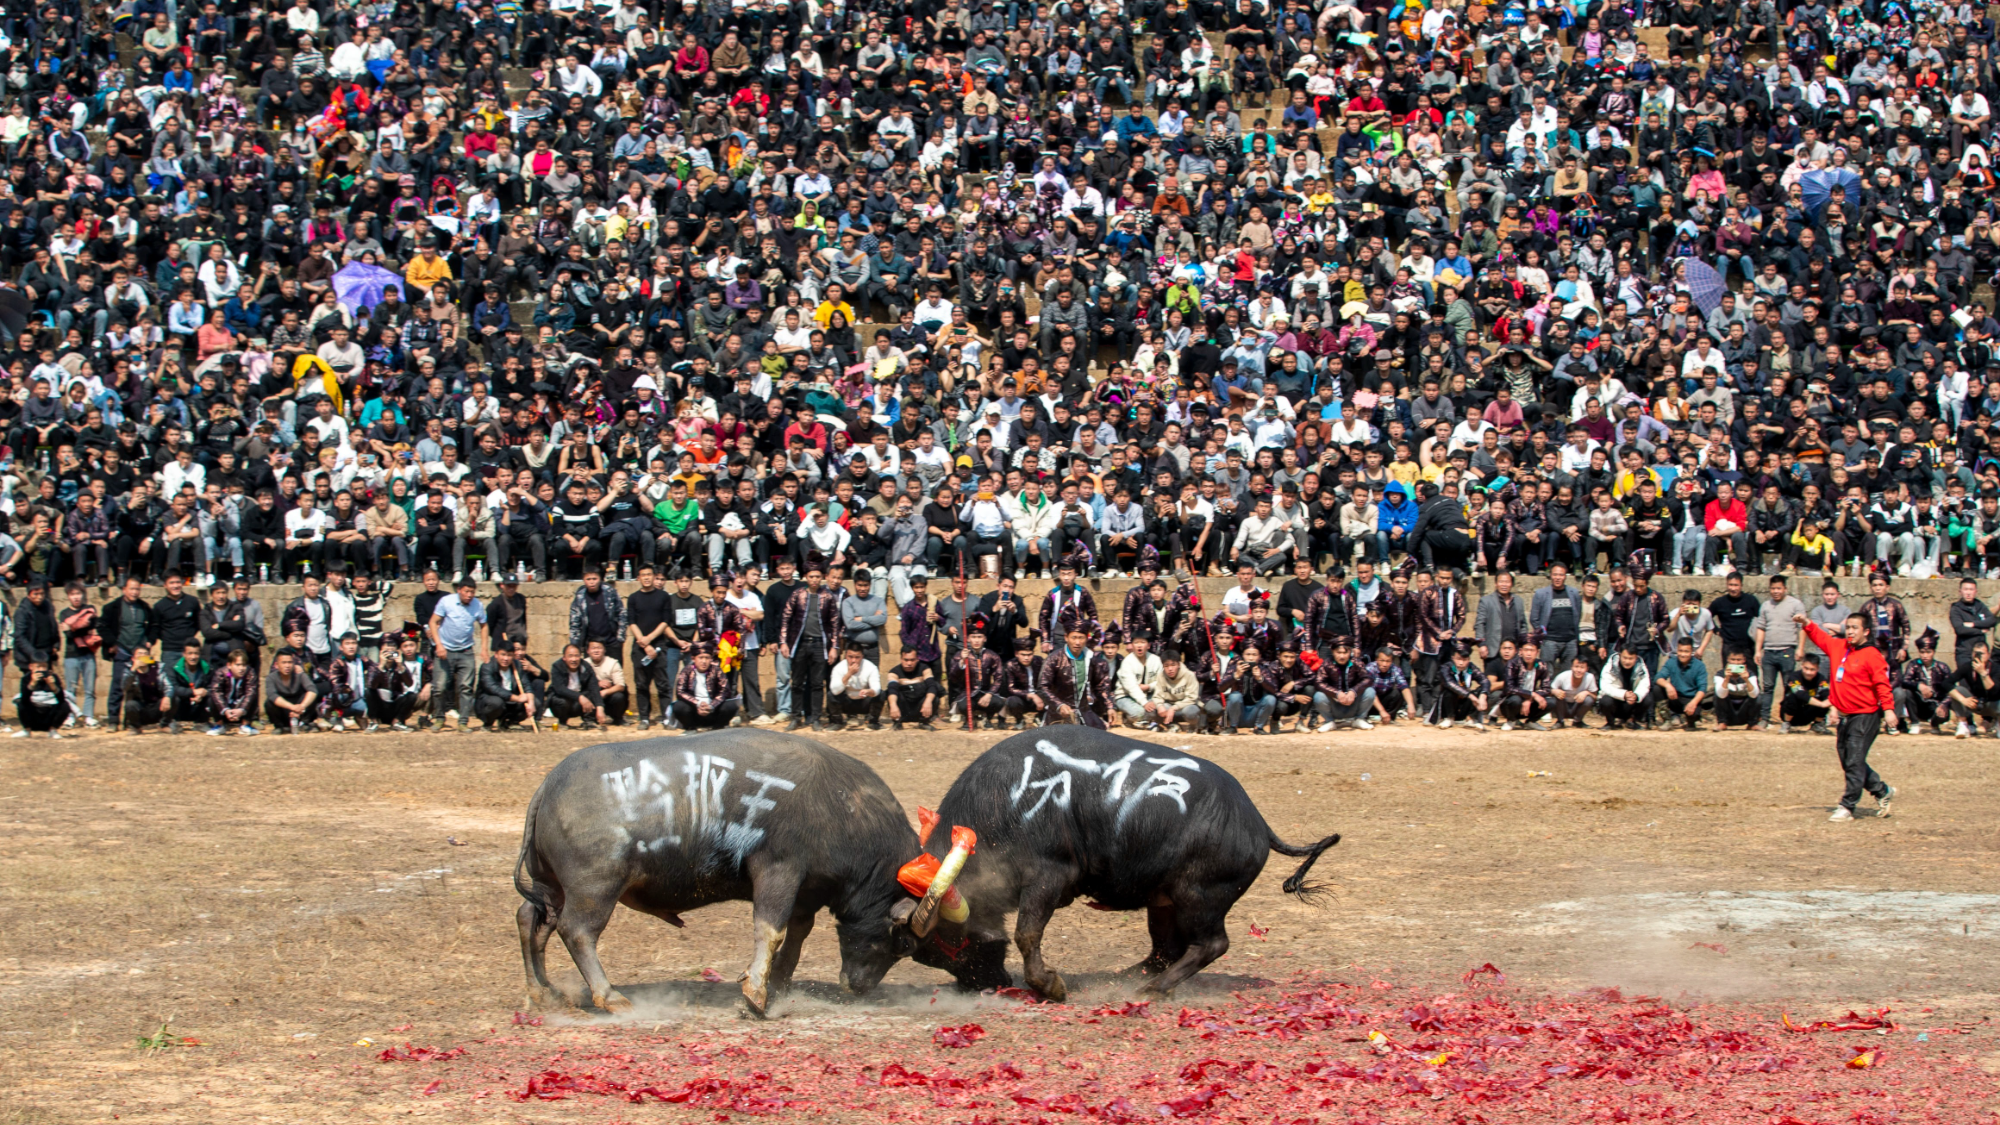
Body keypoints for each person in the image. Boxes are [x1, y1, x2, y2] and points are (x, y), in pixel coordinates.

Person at [1795, 610, 1897, 821]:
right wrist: (1806, 623)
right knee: (1849, 760)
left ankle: (1847, 806)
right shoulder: (1840, 647)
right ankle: (1882, 790)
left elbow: (1882, 684)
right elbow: (1821, 637)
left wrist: (1888, 710)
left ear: (1866, 632)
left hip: (1865, 716)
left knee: (1854, 761)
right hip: (1845, 716)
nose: (1850, 631)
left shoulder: (1872, 655)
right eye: (1848, 627)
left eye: (1854, 628)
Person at [428, 577, 486, 731]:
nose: (469, 595)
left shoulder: (477, 605)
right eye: (466, 591)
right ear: (459, 590)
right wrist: (438, 644)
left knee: (466, 687)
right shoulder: (446, 602)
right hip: (445, 650)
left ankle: (463, 721)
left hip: (466, 651)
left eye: (472, 592)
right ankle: (439, 718)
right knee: (439, 687)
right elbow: (433, 622)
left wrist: (484, 647)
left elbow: (484, 625)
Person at [672, 644, 741, 730]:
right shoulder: (687, 671)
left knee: (731, 705)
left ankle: (718, 728)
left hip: (713, 710)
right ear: (693, 658)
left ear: (711, 659)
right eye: (701, 658)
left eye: (707, 658)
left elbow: (725, 690)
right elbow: (680, 692)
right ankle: (690, 729)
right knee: (678, 706)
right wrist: (697, 704)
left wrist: (711, 705)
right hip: (695, 711)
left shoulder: (716, 670)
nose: (704, 661)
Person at [475, 642, 537, 731]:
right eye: (503, 655)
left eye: (509, 655)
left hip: (510, 703)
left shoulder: (517, 665)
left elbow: (526, 685)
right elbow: (493, 688)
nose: (506, 658)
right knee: (496, 702)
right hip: (490, 701)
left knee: (536, 702)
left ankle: (511, 722)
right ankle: (488, 723)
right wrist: (517, 698)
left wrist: (531, 701)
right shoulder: (487, 667)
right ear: (496, 654)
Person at [546, 644, 609, 728]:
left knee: (592, 694)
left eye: (576, 656)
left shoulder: (586, 667)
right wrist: (580, 697)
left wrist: (600, 707)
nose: (574, 659)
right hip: (564, 703)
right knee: (559, 701)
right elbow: (559, 689)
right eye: (570, 656)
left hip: (579, 705)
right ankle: (563, 721)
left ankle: (589, 721)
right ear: (564, 658)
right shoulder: (557, 667)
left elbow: (594, 687)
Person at [884, 647, 941, 730]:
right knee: (891, 694)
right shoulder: (894, 672)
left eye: (912, 660)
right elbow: (892, 689)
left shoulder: (925, 669)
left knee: (934, 696)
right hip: (903, 709)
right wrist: (893, 705)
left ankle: (924, 722)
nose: (909, 663)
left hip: (921, 708)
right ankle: (897, 723)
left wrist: (928, 702)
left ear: (917, 659)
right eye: (906, 660)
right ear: (901, 659)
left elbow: (931, 686)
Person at [827, 644, 883, 728]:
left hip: (863, 702)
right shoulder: (839, 668)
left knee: (881, 694)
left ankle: (872, 721)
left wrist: (869, 691)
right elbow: (834, 690)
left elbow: (876, 688)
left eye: (857, 657)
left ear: (862, 657)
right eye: (850, 657)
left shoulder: (871, 667)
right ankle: (837, 722)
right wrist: (849, 674)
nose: (853, 660)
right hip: (846, 703)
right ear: (846, 656)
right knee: (830, 695)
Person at [263, 651, 319, 733]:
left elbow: (313, 690)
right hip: (284, 710)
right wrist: (292, 707)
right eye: (283, 663)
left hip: (300, 710)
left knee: (311, 697)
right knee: (269, 702)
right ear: (276, 665)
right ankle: (279, 726)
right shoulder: (271, 678)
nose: (287, 666)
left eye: (290, 662)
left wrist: (301, 707)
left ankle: (304, 724)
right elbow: (272, 695)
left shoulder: (300, 675)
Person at [1596, 648, 1652, 730]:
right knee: (1605, 700)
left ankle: (1632, 721)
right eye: (1625, 658)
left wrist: (1636, 696)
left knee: (1648, 698)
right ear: (1619, 656)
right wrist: (1623, 694)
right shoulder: (1611, 665)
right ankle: (1610, 723)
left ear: (1636, 658)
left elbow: (1645, 684)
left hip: (1631, 702)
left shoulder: (1641, 666)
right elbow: (1604, 686)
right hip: (1615, 701)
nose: (1627, 661)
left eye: (1630, 658)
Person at [208, 648, 259, 735]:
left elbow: (250, 692)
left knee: (254, 694)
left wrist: (241, 709)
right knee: (211, 696)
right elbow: (216, 691)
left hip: (241, 709)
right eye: (237, 665)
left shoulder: (250, 673)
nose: (241, 668)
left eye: (244, 665)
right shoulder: (220, 673)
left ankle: (245, 725)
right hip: (225, 709)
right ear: (229, 665)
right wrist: (225, 710)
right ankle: (219, 725)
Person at [13, 660, 69, 738]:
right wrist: (32, 684)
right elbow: (25, 699)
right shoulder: (26, 678)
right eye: (38, 667)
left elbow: (61, 699)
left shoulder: (53, 677)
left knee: (65, 705)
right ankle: (27, 730)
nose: (42, 670)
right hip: (33, 716)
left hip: (49, 715)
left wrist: (53, 685)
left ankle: (53, 730)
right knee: (21, 703)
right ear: (31, 667)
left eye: (44, 666)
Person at [1779, 656, 1833, 735]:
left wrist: (1831, 706)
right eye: (1806, 668)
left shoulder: (1821, 679)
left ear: (1818, 669)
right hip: (1791, 714)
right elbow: (1800, 694)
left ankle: (1817, 724)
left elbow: (1826, 693)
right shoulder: (1794, 677)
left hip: (1809, 713)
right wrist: (1821, 704)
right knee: (1793, 696)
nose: (1808, 672)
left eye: (1812, 669)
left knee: (1825, 698)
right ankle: (1786, 724)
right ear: (1802, 666)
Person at [1711, 651, 1762, 729]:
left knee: (1758, 694)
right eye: (1733, 659)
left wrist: (1746, 680)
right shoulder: (1720, 674)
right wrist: (1727, 678)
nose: (1736, 663)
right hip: (1729, 711)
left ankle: (1752, 723)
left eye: (1739, 660)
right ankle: (1722, 722)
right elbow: (1721, 695)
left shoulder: (1750, 674)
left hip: (1744, 711)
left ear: (1744, 660)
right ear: (1728, 659)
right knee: (1717, 694)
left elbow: (1754, 695)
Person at [1548, 656, 1598, 728]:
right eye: (1576, 667)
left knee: (1589, 699)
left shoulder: (1590, 677)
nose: (1578, 670)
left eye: (1582, 667)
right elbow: (1548, 691)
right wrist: (1554, 691)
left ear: (1587, 669)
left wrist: (1587, 693)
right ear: (1571, 667)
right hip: (1562, 706)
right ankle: (1560, 721)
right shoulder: (1562, 676)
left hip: (1577, 706)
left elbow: (1595, 697)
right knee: (1556, 696)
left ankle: (1578, 721)